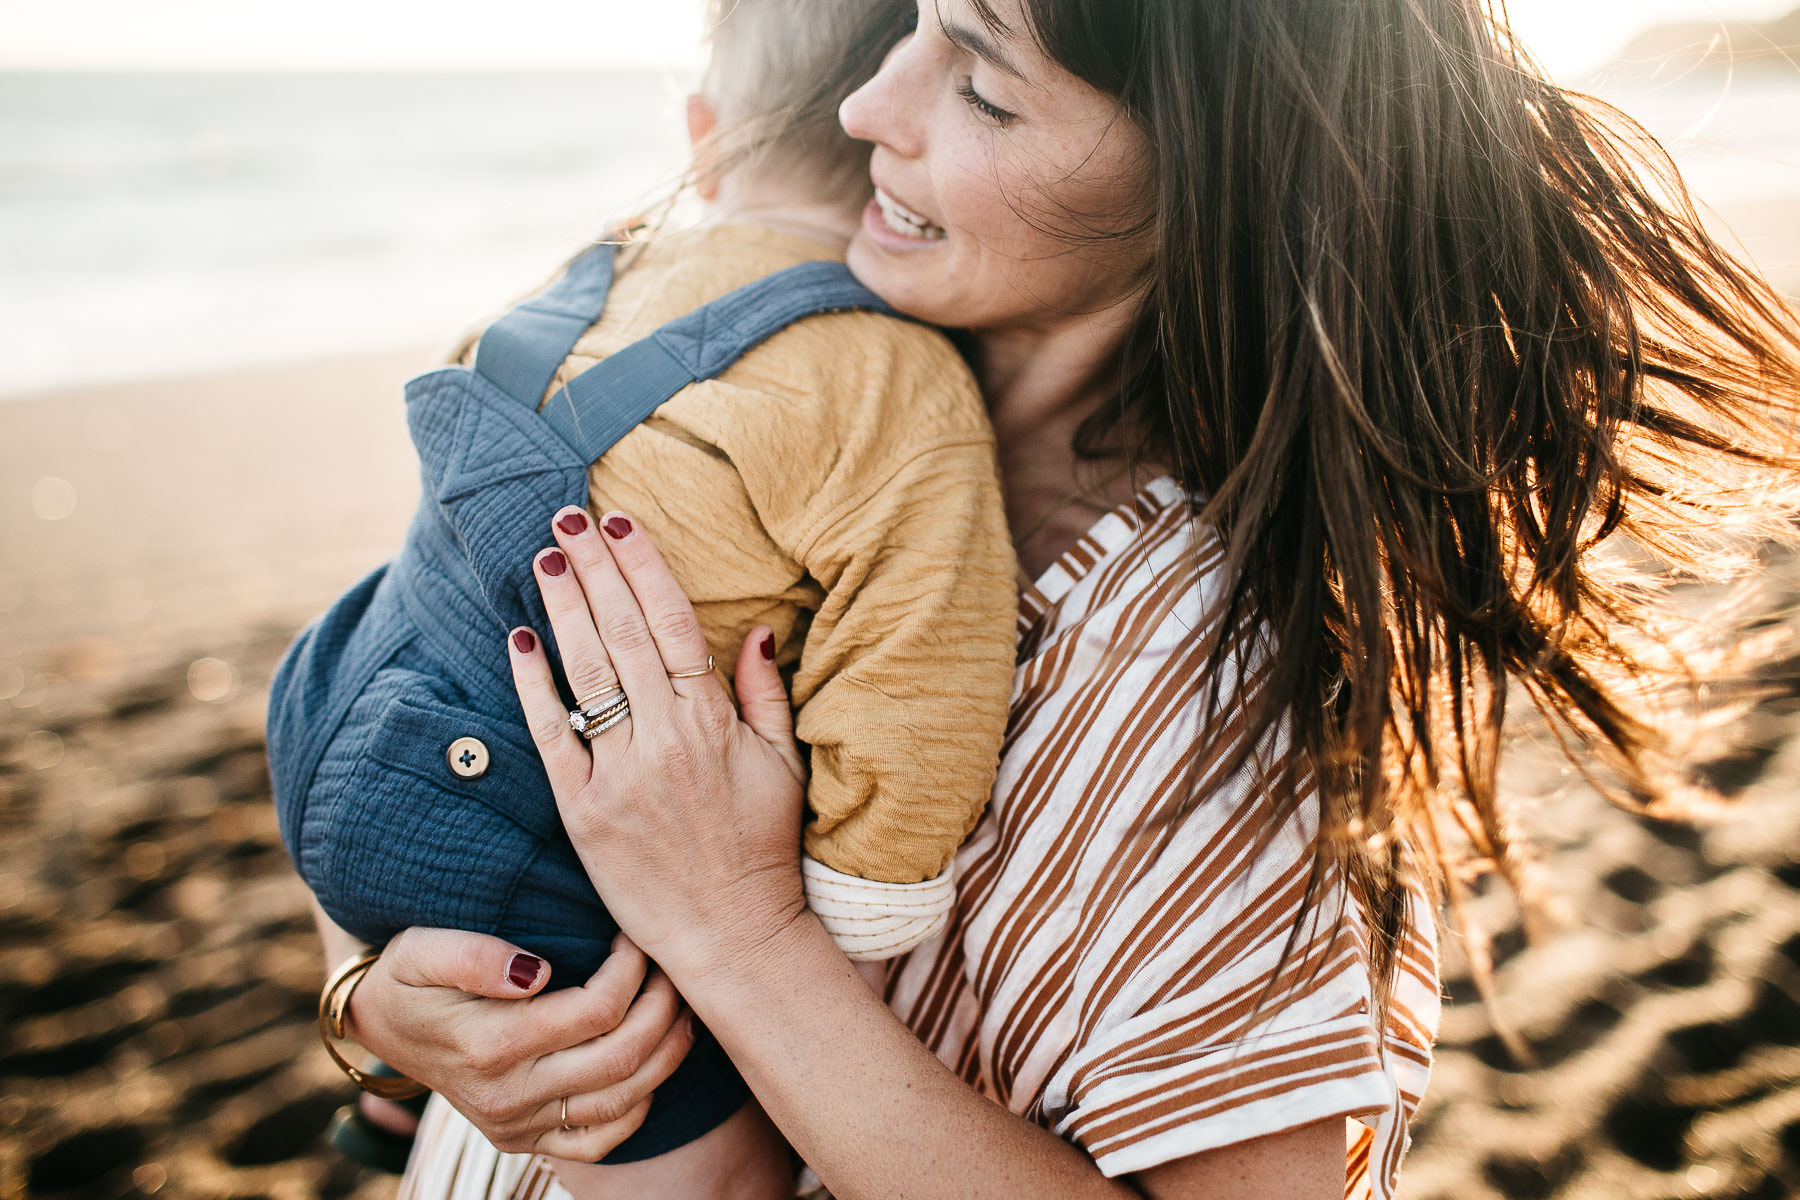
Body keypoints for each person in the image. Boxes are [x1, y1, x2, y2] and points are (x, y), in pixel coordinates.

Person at [330, 0, 1800, 1197]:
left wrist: (741, 933)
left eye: (981, 84)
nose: (868, 107)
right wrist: (385, 1004)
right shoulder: (795, 387)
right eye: (906, 23)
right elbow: (430, 685)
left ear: (1206, 173)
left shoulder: (1213, 687)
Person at [276, 0, 1019, 1194]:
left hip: (335, 697)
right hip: (508, 802)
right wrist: (859, 913)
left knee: (451, 963)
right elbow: (919, 669)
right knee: (705, 1173)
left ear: (703, 133)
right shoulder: (894, 379)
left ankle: (401, 1112)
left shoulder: (596, 265)